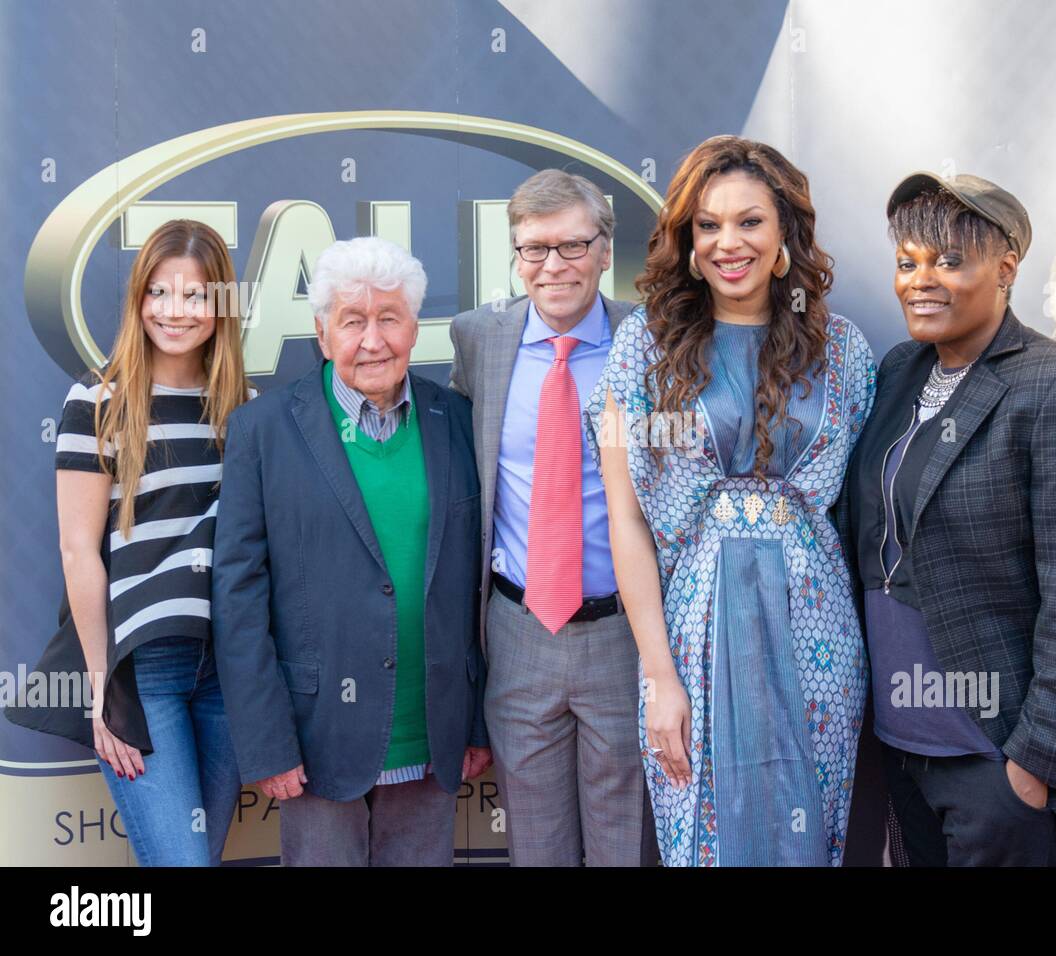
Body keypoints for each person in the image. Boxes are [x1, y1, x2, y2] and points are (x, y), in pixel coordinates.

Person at [587, 136, 875, 866]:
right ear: (686, 241)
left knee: (813, 828)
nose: (728, 242)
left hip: (819, 630)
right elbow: (625, 519)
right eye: (708, 225)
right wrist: (659, 676)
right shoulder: (642, 351)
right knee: (706, 828)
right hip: (694, 632)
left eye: (749, 222)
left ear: (785, 236)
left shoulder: (843, 350)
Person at [839, 173, 1056, 866]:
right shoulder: (897, 371)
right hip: (903, 746)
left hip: (997, 756)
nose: (922, 281)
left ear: (1006, 268)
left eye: (949, 261)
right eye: (908, 263)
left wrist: (1032, 765)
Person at [212, 237, 490, 866]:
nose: (373, 340)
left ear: (416, 329)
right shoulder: (265, 430)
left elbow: (475, 581)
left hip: (433, 729)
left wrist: (473, 722)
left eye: (389, 318)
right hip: (316, 737)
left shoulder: (458, 420)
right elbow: (237, 594)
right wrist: (267, 742)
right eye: (352, 320)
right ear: (321, 332)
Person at [5, 219, 252, 865]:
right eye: (159, 292)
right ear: (139, 299)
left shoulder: (244, 408)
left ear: (221, 304)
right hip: (145, 673)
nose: (175, 311)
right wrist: (102, 688)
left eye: (196, 295)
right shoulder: (99, 400)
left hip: (226, 670)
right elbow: (77, 551)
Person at [447, 169, 646, 866]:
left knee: (624, 842)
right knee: (536, 847)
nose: (552, 266)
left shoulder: (650, 341)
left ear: (603, 250)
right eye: (533, 249)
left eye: (571, 246)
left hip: (624, 631)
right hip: (517, 630)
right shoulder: (477, 339)